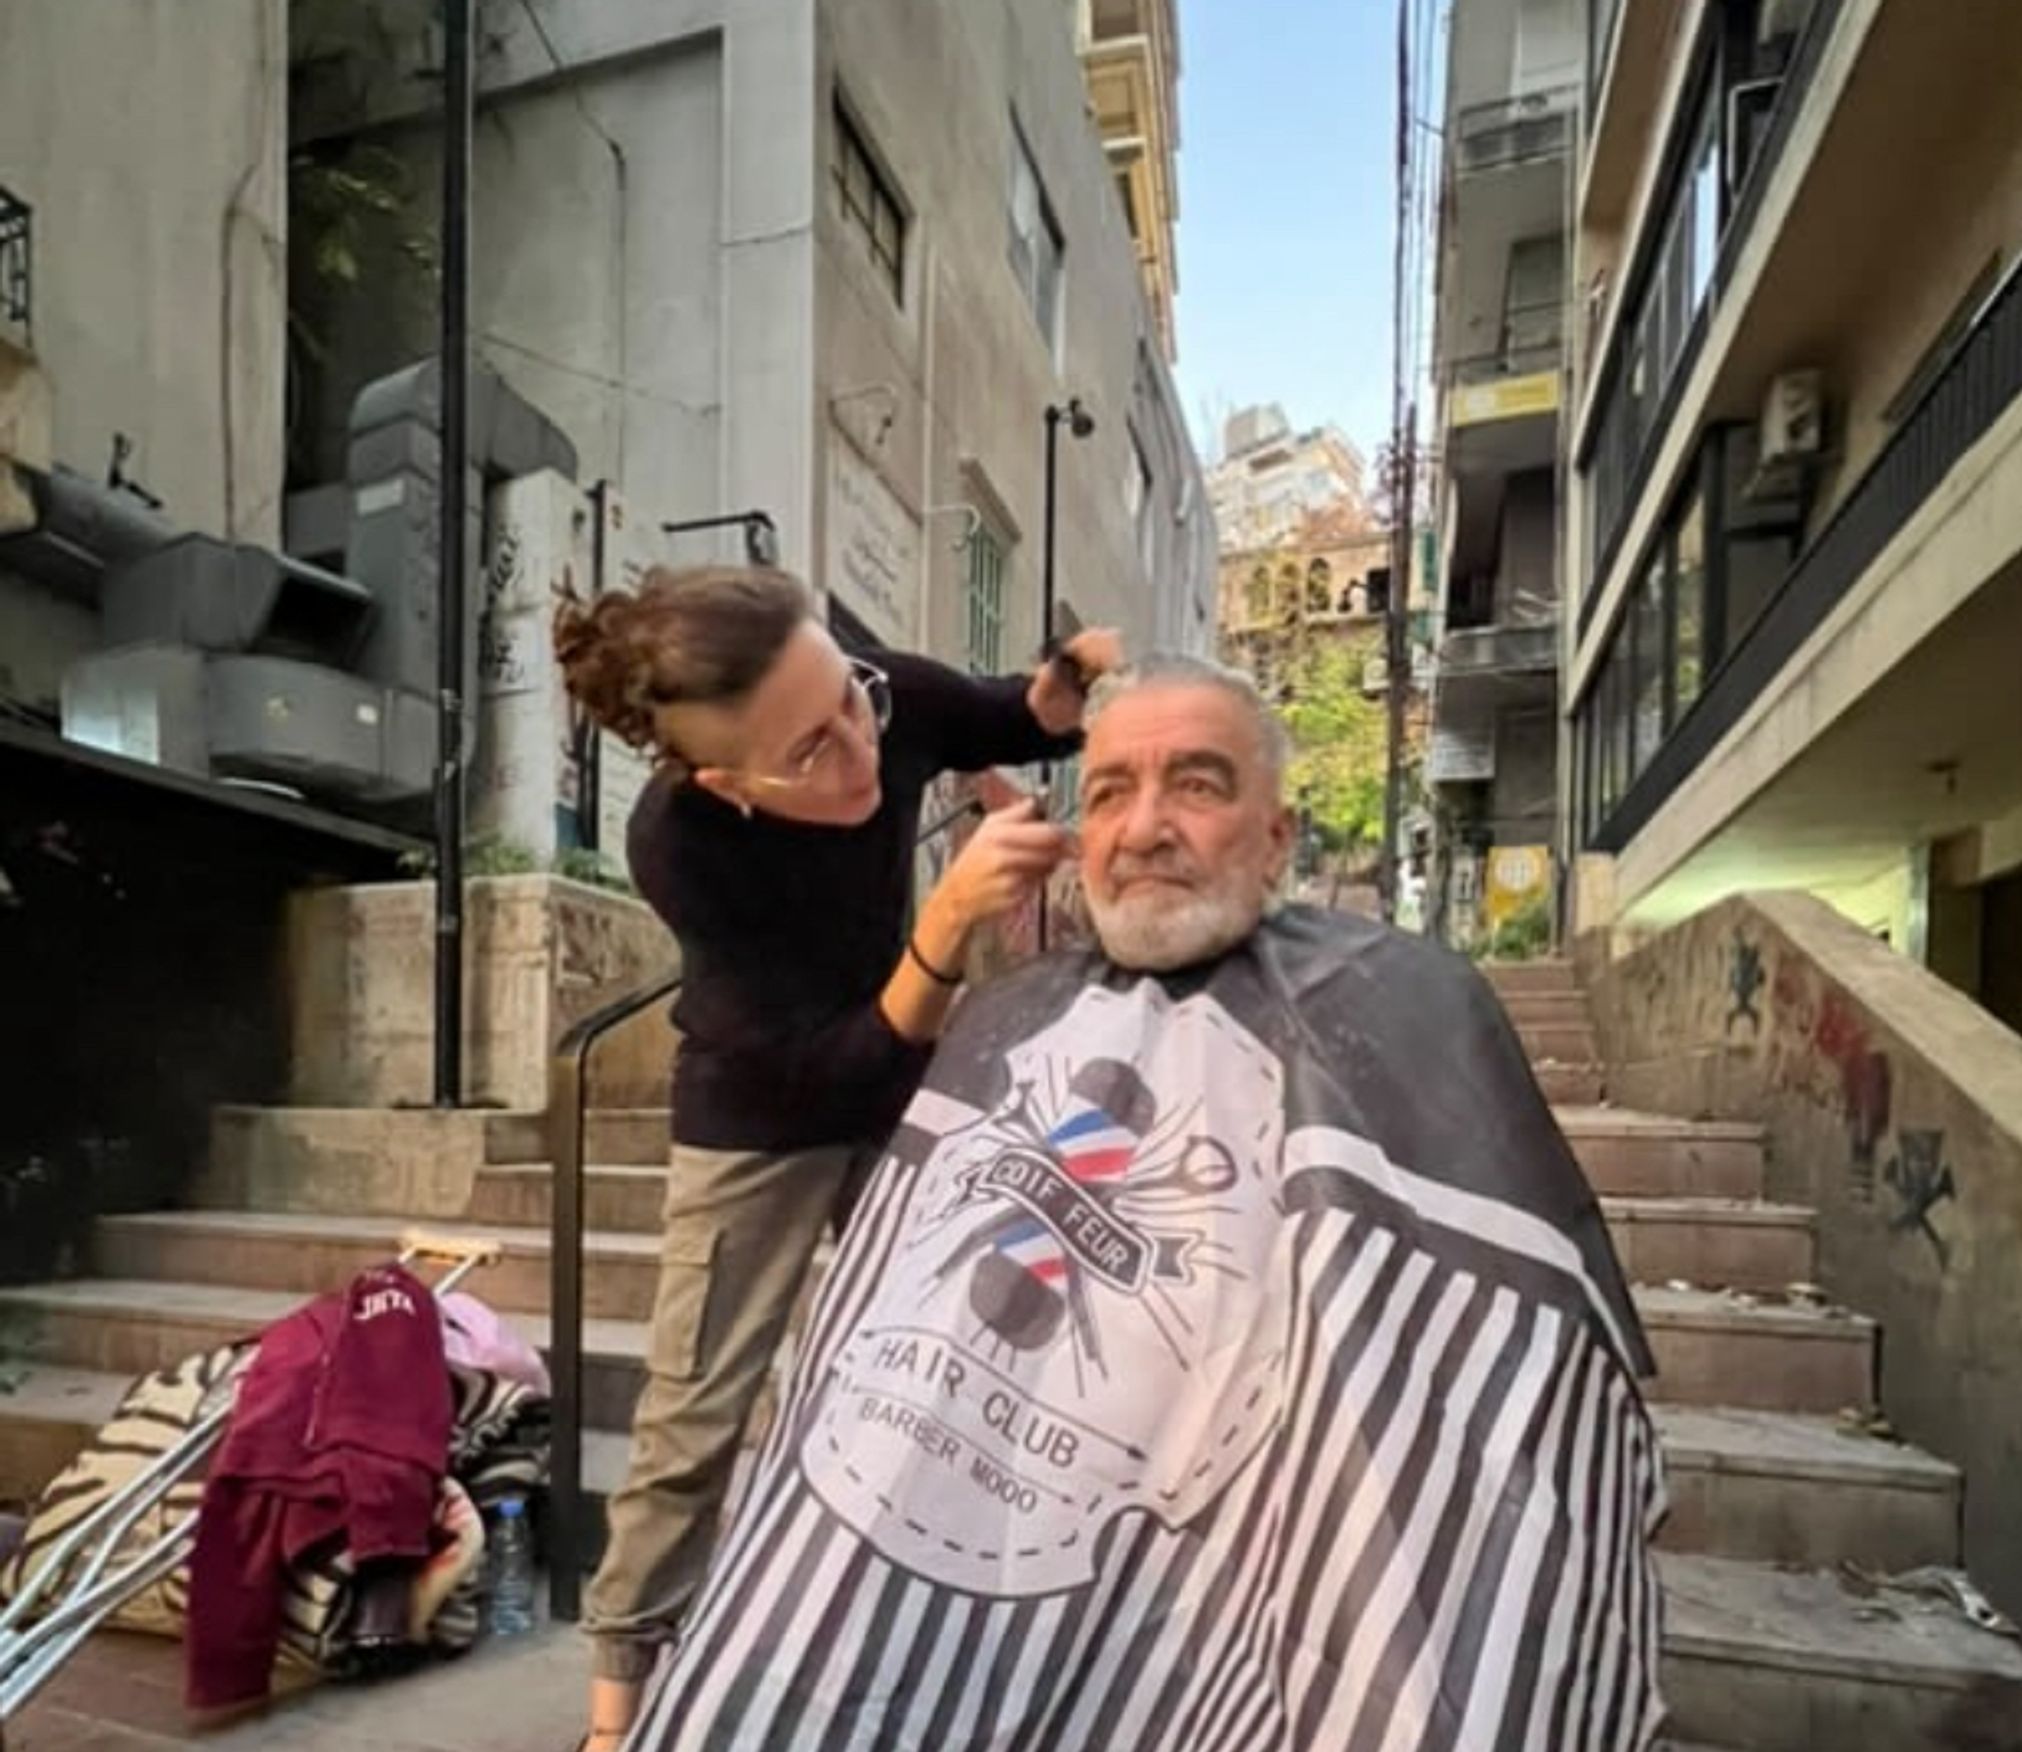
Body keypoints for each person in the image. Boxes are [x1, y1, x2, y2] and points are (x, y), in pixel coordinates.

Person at [626, 654, 1667, 1751]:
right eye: (1112, 790)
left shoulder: (1412, 1008)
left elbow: (1475, 1402)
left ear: (1278, 836)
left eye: (1200, 786)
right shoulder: (1001, 1019)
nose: (1145, 827)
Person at [551, 565, 1110, 1750]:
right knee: (694, 1411)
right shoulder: (683, 846)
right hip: (762, 1111)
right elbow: (831, 1065)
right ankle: (615, 1711)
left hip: (904, 1098)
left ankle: (914, 1631)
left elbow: (1016, 715)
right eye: (807, 750)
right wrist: (947, 926)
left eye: (850, 701)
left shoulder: (882, 702)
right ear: (726, 783)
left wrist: (1072, 676)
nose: (858, 749)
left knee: (953, 1365)